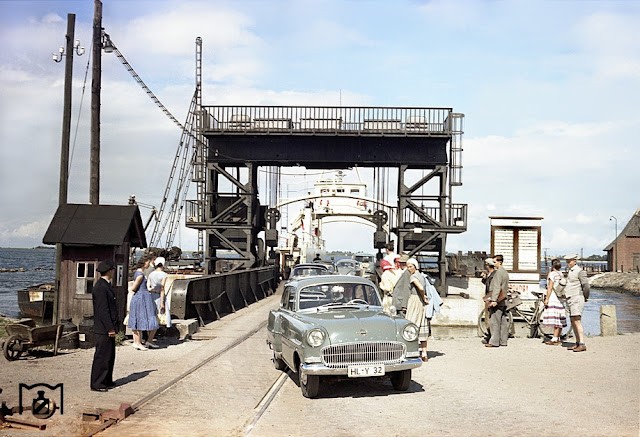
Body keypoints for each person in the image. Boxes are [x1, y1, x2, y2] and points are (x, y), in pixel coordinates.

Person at [90, 260, 118, 392]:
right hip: (103, 328)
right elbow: (103, 310)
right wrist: (110, 328)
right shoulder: (101, 287)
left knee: (109, 355)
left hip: (107, 327)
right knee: (102, 356)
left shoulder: (106, 285)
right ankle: (97, 383)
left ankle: (106, 380)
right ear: (109, 271)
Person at [127, 256, 160, 351]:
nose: (148, 264)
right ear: (144, 263)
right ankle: (137, 342)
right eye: (147, 262)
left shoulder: (138, 273)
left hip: (140, 296)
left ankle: (137, 342)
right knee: (140, 317)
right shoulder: (140, 275)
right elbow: (134, 288)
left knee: (137, 318)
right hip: (141, 297)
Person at [563, 253, 590, 352]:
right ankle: (577, 342)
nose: (567, 263)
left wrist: (585, 297)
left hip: (576, 298)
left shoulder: (580, 271)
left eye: (569, 261)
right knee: (573, 320)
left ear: (575, 261)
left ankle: (582, 343)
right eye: (567, 261)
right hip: (570, 298)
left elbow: (586, 286)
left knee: (577, 320)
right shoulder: (570, 271)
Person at [405, 258, 429, 362]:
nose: (409, 269)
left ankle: (411, 350)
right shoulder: (422, 276)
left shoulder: (413, 277)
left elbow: (421, 288)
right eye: (408, 267)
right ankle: (424, 352)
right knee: (422, 324)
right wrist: (424, 298)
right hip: (421, 303)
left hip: (415, 301)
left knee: (411, 324)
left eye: (410, 266)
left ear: (415, 266)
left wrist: (423, 296)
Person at [486, 254, 510, 348]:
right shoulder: (505, 272)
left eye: (495, 262)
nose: (493, 263)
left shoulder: (498, 273)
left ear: (499, 262)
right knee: (503, 321)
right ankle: (503, 341)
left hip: (498, 299)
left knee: (494, 320)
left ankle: (494, 341)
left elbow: (497, 287)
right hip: (503, 299)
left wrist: (494, 300)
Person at [542, 258, 568, 345]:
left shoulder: (552, 274)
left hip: (553, 297)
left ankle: (554, 339)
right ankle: (557, 337)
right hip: (561, 298)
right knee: (560, 318)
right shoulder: (561, 274)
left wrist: (546, 299)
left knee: (555, 319)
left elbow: (550, 287)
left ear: (552, 265)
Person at [147, 256, 170, 333]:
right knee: (160, 316)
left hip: (151, 296)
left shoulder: (151, 274)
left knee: (151, 315)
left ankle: (149, 334)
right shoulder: (164, 275)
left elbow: (148, 287)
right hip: (160, 296)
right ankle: (156, 333)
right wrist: (162, 303)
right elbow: (162, 289)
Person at [480, 258, 496, 344]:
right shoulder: (491, 274)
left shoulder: (493, 275)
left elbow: (492, 289)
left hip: (490, 298)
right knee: (488, 318)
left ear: (487, 265)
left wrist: (487, 298)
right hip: (489, 298)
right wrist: (484, 279)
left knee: (489, 318)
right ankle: (489, 335)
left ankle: (490, 336)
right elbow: (487, 284)